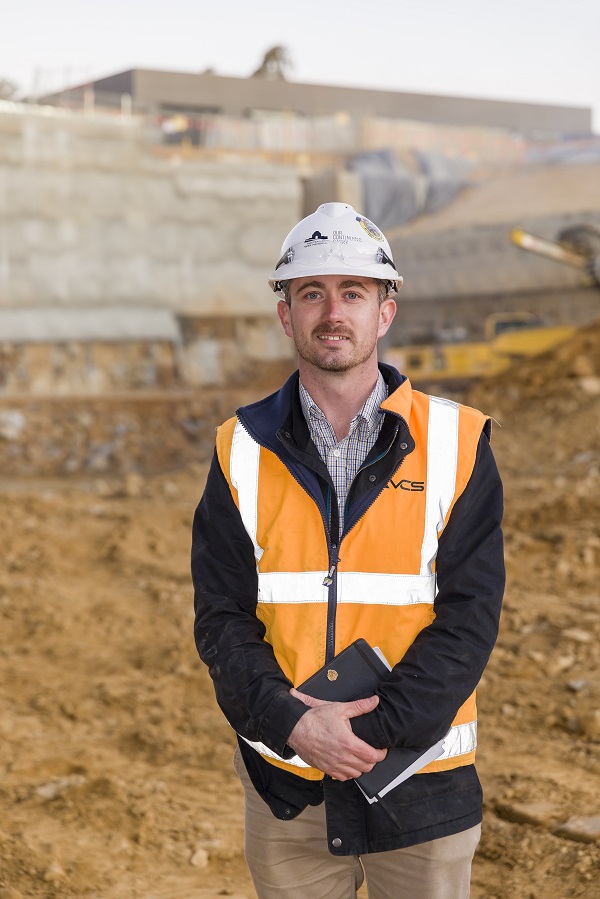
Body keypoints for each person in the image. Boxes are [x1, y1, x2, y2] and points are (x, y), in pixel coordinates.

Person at [191, 202, 505, 898]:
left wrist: (366, 734)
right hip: (288, 789)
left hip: (420, 785)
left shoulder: (458, 444)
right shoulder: (238, 449)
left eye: (353, 292)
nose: (333, 311)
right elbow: (221, 618)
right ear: (286, 314)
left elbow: (470, 617)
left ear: (384, 312)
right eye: (312, 293)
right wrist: (296, 724)